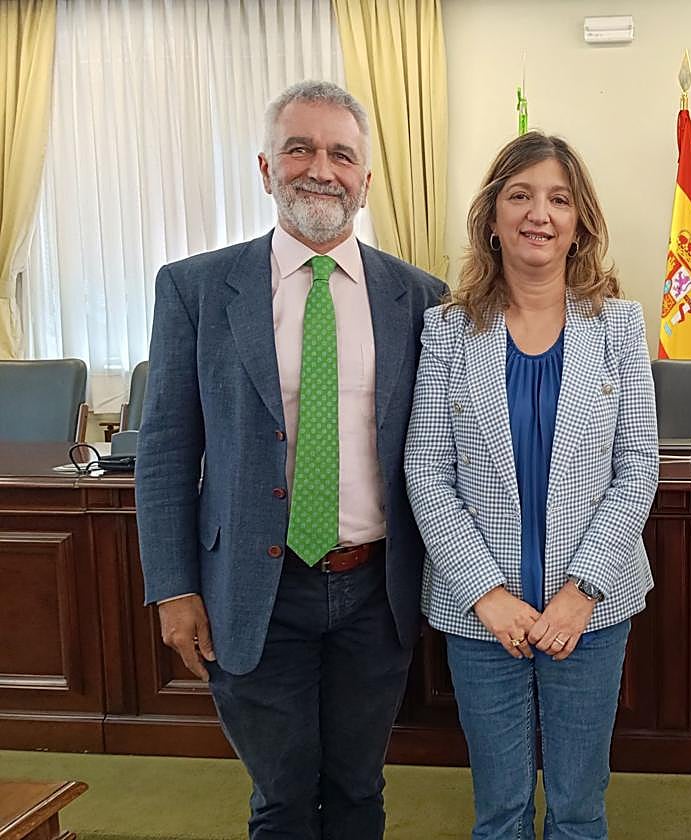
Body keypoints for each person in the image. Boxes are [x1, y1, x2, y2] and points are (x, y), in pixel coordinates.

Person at [135, 80, 447, 839]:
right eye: (299, 148)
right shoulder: (197, 290)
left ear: (366, 181)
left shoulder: (422, 298)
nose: (321, 168)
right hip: (251, 590)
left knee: (356, 790)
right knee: (281, 797)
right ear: (266, 168)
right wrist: (174, 588)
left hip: (375, 591)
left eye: (341, 154)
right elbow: (168, 449)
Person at [405, 131, 658, 839]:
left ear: (580, 222)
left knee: (579, 810)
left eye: (558, 199)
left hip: (592, 611)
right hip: (481, 615)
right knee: (501, 811)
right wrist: (487, 595)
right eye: (519, 196)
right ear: (492, 216)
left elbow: (638, 466)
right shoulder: (448, 329)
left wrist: (579, 595)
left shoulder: (619, 326)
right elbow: (427, 467)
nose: (538, 213)